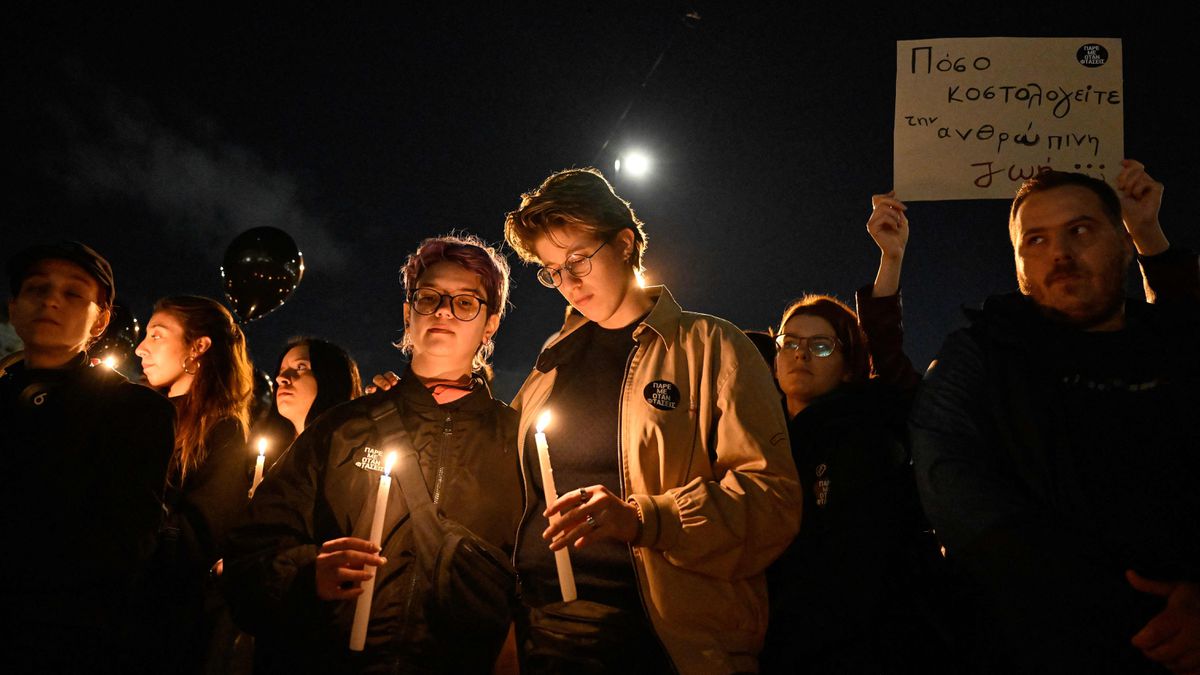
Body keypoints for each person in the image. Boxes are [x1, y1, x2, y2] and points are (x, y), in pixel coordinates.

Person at [503, 167, 801, 674]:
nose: (567, 284)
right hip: (546, 632)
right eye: (552, 271)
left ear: (623, 244)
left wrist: (645, 519)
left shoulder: (710, 347)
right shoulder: (552, 362)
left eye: (577, 260)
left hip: (661, 640)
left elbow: (772, 500)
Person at [910, 160, 1200, 674]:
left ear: (1124, 240)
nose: (1060, 254)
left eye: (1081, 230)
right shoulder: (980, 358)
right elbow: (957, 493)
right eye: (1036, 241)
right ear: (1017, 264)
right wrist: (1132, 614)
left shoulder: (1173, 351)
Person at [223, 234, 523, 673]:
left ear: (490, 323)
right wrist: (308, 574)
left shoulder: (514, 440)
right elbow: (249, 555)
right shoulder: (342, 429)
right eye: (428, 297)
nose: (443, 310)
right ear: (408, 312)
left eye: (465, 302)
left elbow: (540, 576)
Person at [761, 193, 954, 673]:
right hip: (778, 640)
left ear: (849, 367)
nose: (802, 354)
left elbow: (887, 362)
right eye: (791, 342)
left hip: (872, 643)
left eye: (822, 346)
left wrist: (890, 260)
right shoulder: (757, 437)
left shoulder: (869, 423)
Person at [1, 241, 175, 670]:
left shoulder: (134, 410)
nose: (51, 300)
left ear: (101, 321)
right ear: (14, 307)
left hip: (63, 639)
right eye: (37, 288)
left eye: (74, 293)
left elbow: (125, 539)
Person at [135, 294, 255, 671]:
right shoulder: (137, 413)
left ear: (198, 346)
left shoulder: (222, 431)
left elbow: (199, 535)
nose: (140, 348)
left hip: (158, 620)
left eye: (157, 335)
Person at [255, 336, 364, 455]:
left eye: (300, 367)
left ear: (330, 378)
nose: (281, 378)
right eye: (281, 371)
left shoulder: (358, 451)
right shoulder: (262, 455)